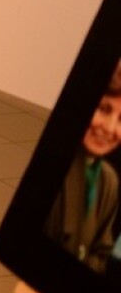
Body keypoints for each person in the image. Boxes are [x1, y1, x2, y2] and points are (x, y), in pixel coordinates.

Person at [46, 59, 121, 272]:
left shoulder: (109, 180)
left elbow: (103, 252)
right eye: (104, 109)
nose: (109, 127)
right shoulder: (56, 159)